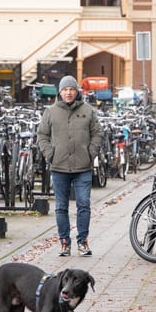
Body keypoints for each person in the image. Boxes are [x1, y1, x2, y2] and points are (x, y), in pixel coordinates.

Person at [37, 75, 104, 257]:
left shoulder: (88, 110)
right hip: (59, 167)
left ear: (77, 92)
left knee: (83, 204)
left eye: (71, 89)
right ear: (60, 92)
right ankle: (64, 242)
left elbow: (97, 133)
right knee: (61, 207)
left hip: (83, 167)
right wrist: (50, 154)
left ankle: (83, 241)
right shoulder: (51, 112)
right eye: (65, 90)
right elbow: (42, 135)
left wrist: (91, 153)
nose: (68, 93)